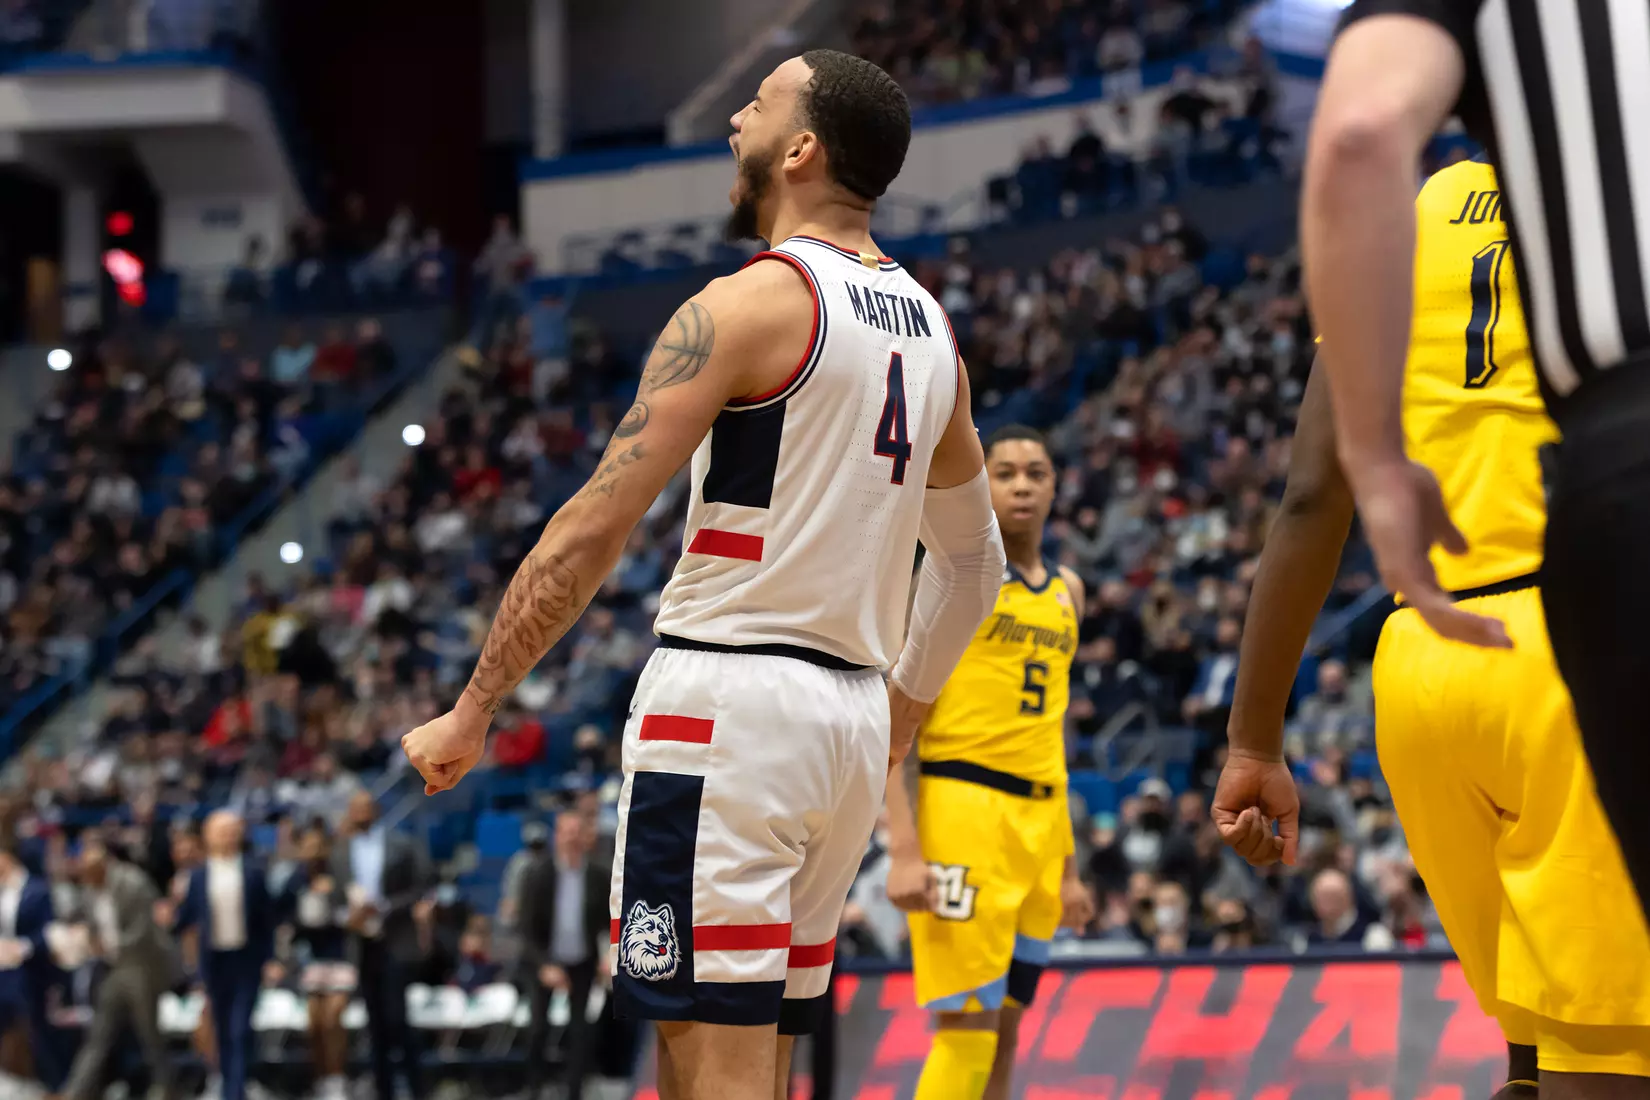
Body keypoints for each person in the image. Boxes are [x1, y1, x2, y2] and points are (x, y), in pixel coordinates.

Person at [402, 48, 1004, 1100]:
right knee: (759, 1061)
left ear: (802, 150)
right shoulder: (932, 332)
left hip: (730, 709)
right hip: (848, 723)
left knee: (706, 1065)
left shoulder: (745, 305)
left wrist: (474, 705)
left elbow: (592, 527)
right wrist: (900, 713)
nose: (735, 122)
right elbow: (974, 562)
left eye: (757, 105)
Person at [1218, 155, 1650, 1090]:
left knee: (1531, 1048)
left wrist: (1253, 739)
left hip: (1424, 664)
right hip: (1580, 647)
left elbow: (1311, 497)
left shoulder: (1406, 212)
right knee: (1610, 1058)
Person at [1302, 0, 1650, 927]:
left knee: (1527, 1010)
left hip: (1430, 637)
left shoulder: (1422, 211)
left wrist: (1375, 458)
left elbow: (1360, 133)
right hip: (1553, 605)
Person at [885, 425, 1093, 1100]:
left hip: (1041, 823)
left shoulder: (1069, 591)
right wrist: (904, 850)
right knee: (966, 1029)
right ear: (982, 482)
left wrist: (1068, 868)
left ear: (1055, 487)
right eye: (1005, 473)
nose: (1022, 486)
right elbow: (895, 722)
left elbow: (1052, 732)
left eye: (1036, 473)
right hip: (963, 810)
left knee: (1005, 1028)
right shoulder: (945, 575)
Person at [167, 811, 280, 1100]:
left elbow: (267, 921)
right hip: (214, 961)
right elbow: (186, 918)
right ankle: (229, 1084)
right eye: (221, 831)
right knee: (220, 1027)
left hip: (246, 960)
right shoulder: (199, 875)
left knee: (240, 1027)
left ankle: (235, 1090)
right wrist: (169, 916)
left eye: (232, 831)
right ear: (208, 836)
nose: (228, 836)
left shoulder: (253, 872)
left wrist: (271, 959)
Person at [63, 835, 178, 1100]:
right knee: (99, 1033)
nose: (87, 880)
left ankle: (166, 1087)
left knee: (150, 1034)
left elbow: (145, 929)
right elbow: (91, 924)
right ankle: (76, 1092)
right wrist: (88, 940)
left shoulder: (132, 881)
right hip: (114, 968)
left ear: (103, 867)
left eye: (90, 874)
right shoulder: (90, 890)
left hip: (142, 964)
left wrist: (109, 945)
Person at [333, 792, 430, 1100]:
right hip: (362, 943)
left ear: (375, 810)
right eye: (355, 808)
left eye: (365, 807)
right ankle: (383, 1090)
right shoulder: (340, 852)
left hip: (395, 939)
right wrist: (348, 916)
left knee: (397, 1018)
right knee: (374, 1023)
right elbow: (335, 900)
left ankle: (415, 1087)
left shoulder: (401, 845)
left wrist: (385, 906)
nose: (360, 813)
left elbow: (420, 886)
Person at [517, 808, 610, 1100]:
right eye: (566, 832)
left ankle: (574, 1092)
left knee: (580, 1031)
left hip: (582, 960)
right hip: (545, 959)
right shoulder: (537, 873)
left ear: (585, 837)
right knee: (538, 1028)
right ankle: (534, 1089)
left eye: (576, 832)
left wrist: (610, 953)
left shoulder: (598, 875)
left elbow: (609, 920)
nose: (571, 838)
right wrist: (545, 965)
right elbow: (526, 928)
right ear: (556, 836)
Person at [287, 822, 353, 1100]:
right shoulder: (296, 880)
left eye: (317, 846)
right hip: (310, 959)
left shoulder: (340, 875)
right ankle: (321, 1079)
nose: (313, 852)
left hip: (339, 956)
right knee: (314, 1024)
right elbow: (286, 917)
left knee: (332, 1019)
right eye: (308, 846)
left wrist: (332, 897)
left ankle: (337, 1079)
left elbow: (352, 913)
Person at [0, 835, 64, 1095]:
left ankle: (53, 1085)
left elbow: (49, 933)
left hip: (30, 969)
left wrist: (22, 947)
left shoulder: (37, 889)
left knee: (35, 1029)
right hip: (3, 969)